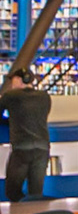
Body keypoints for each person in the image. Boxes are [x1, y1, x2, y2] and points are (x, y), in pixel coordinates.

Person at [0, 69, 52, 202]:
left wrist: (10, 121)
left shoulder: (11, 96)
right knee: (36, 192)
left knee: (12, 190)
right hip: (42, 148)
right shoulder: (44, 97)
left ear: (19, 79)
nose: (11, 84)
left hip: (21, 148)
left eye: (12, 80)